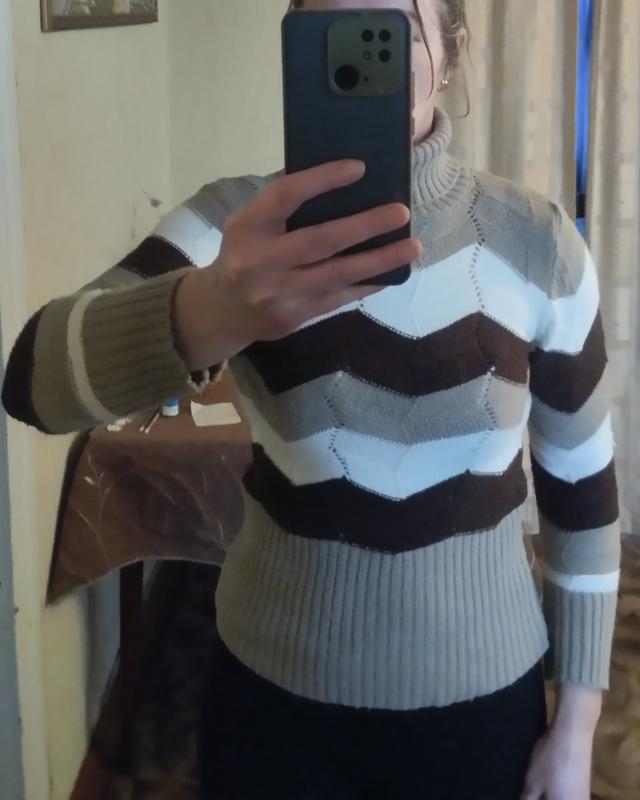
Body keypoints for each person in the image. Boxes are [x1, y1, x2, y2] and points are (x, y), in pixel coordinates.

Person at [1, 0, 621, 798]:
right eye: (332, 28)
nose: (365, 61)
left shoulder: (539, 241)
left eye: (392, 32)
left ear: (451, 51)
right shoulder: (234, 230)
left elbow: (584, 490)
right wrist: (209, 309)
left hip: (485, 702)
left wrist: (577, 726)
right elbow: (34, 383)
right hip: (271, 699)